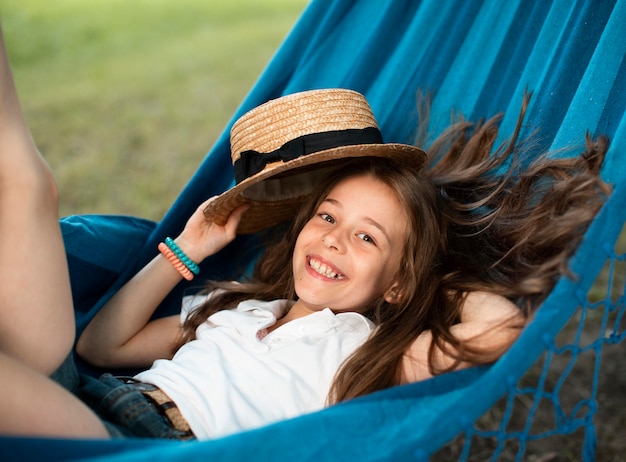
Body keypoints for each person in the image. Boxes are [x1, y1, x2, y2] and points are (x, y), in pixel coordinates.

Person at [0, 24, 609, 441]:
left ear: (396, 281)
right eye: (327, 217)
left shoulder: (364, 354)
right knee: (26, 184)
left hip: (139, 445)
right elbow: (100, 349)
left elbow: (499, 326)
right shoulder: (229, 305)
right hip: (89, 396)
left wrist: (418, 281)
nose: (336, 240)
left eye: (368, 238)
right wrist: (188, 248)